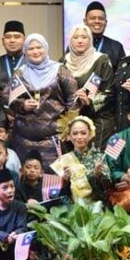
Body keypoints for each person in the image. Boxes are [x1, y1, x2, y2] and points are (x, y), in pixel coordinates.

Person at [8, 34, 78, 168]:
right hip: (23, 141)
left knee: (53, 179)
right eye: (30, 48)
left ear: (46, 48)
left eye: (39, 47)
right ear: (25, 51)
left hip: (53, 140)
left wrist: (66, 127)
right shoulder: (19, 73)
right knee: (28, 176)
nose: (35, 51)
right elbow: (8, 98)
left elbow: (73, 99)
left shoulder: (60, 70)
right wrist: (22, 105)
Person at [63, 23, 116, 143]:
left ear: (90, 39)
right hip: (71, 123)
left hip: (97, 122)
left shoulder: (101, 60)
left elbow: (110, 92)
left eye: (84, 37)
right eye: (75, 37)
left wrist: (89, 101)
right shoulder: (64, 62)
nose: (80, 41)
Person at [57, 116, 111, 203]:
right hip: (71, 207)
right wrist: (65, 181)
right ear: (69, 136)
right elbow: (57, 194)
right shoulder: (63, 160)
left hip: (96, 205)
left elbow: (107, 188)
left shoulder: (99, 157)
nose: (79, 137)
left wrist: (98, 176)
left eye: (83, 133)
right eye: (75, 133)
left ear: (90, 135)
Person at [83, 1, 126, 70]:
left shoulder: (117, 47)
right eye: (92, 18)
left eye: (101, 18)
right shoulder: (76, 45)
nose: (97, 21)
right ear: (85, 21)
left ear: (106, 22)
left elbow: (122, 73)